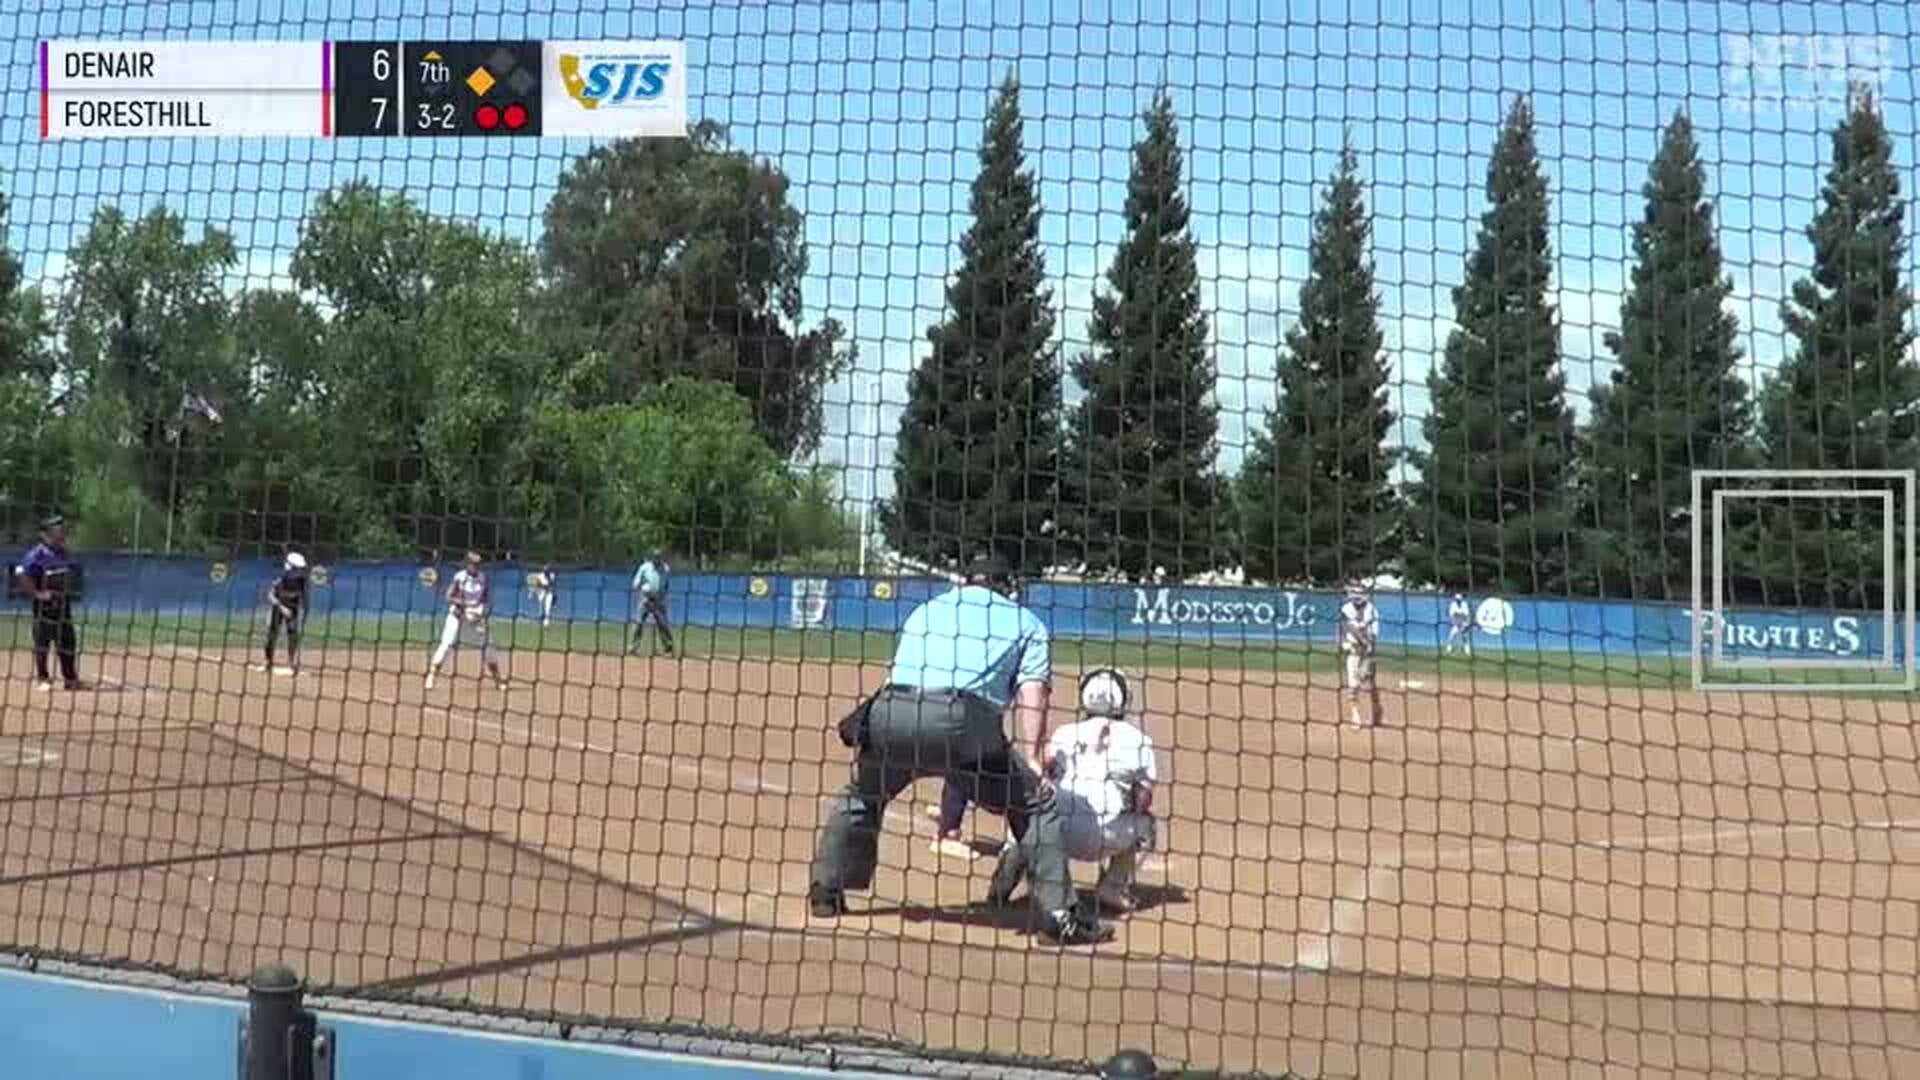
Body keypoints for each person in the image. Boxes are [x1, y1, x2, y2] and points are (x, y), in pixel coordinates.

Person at [808, 553, 1111, 947]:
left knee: (861, 797)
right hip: (961, 723)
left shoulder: (927, 610)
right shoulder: (1026, 622)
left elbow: (904, 670)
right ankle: (1060, 917)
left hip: (890, 712)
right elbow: (1032, 694)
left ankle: (825, 891)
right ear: (1008, 587)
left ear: (965, 581)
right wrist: (1034, 758)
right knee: (1035, 805)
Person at [985, 667, 1160, 916]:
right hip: (1108, 838)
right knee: (1147, 822)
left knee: (1026, 814)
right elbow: (1143, 800)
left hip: (1057, 835)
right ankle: (1113, 886)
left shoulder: (1064, 733)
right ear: (1124, 699)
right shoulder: (1140, 740)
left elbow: (1039, 773)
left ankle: (1002, 885)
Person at [14, 514, 85, 692]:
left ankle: (71, 679)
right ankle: (43, 678)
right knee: (42, 645)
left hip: (63, 607)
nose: (60, 532)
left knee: (68, 643)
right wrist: (37, 594)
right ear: (45, 534)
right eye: (56, 529)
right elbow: (21, 574)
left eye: (60, 529)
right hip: (44, 609)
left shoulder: (63, 552)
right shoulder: (36, 554)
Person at [426, 551, 508, 691]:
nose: (477, 566)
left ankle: (498, 680)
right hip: (457, 617)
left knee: (488, 647)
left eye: (478, 564)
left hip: (476, 618)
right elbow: (449, 596)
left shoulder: (483, 578)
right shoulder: (460, 577)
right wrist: (464, 604)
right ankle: (431, 676)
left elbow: (488, 599)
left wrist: (483, 612)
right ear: (467, 564)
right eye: (474, 564)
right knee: (447, 645)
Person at [1338, 584, 1382, 726]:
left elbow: (1373, 634)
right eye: (1353, 593)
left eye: (1359, 593)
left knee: (1369, 683)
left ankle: (1377, 709)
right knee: (1353, 685)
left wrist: (1369, 648)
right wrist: (1342, 642)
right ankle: (1355, 715)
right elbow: (1344, 627)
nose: (1356, 596)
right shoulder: (1346, 609)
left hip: (1368, 652)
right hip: (1354, 652)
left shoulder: (1372, 610)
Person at [261, 552, 310, 675]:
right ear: (290, 568)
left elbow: (306, 598)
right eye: (297, 569)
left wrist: (305, 614)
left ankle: (291, 662)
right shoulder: (280, 579)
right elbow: (270, 596)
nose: (300, 571)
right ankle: (268, 661)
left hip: (293, 609)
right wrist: (282, 607)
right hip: (277, 608)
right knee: (272, 635)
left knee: (293, 635)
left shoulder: (303, 582)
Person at [629, 551, 675, 655]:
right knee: (639, 623)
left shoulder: (665, 568)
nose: (657, 560)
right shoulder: (644, 568)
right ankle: (633, 647)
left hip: (659, 600)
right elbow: (636, 584)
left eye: (659, 557)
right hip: (645, 598)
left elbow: (666, 585)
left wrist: (663, 597)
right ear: (652, 558)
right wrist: (642, 596)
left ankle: (668, 648)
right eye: (655, 558)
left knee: (663, 624)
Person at [526, 563, 557, 627]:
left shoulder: (552, 575)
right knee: (541, 607)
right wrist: (531, 592)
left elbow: (551, 584)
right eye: (546, 570)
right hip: (541, 593)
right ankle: (540, 619)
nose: (547, 571)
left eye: (548, 570)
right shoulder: (540, 576)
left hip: (549, 593)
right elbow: (537, 584)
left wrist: (553, 594)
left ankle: (546, 623)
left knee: (547, 608)